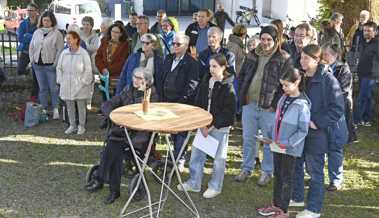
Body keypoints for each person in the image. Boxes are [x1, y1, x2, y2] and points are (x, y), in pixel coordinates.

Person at [86, 68, 158, 204]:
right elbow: (112, 102)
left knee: (115, 150)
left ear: (147, 81)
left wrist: (141, 93)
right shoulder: (128, 89)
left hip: (139, 135)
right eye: (134, 77)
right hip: (123, 132)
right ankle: (112, 189)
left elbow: (144, 114)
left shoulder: (151, 95)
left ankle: (104, 181)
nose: (135, 80)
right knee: (114, 147)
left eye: (139, 78)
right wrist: (109, 114)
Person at [291, 44, 345, 218]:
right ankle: (297, 197)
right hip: (300, 131)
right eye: (301, 57)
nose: (302, 61)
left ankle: (314, 209)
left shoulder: (328, 80)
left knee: (315, 171)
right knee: (297, 165)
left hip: (317, 133)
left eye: (306, 58)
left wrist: (317, 122)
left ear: (317, 60)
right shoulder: (301, 77)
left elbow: (337, 109)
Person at [234, 25, 291, 186]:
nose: (265, 42)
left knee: (268, 141)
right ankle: (246, 168)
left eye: (269, 40)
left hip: (269, 108)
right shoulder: (252, 54)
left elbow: (286, 85)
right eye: (263, 39)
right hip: (249, 104)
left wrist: (275, 104)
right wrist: (242, 95)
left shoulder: (283, 57)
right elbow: (243, 74)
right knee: (248, 139)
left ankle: (267, 172)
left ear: (275, 40)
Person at [177, 53, 236, 199]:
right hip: (203, 125)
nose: (211, 69)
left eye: (215, 66)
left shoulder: (228, 87)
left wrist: (211, 126)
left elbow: (228, 114)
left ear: (223, 67)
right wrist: (201, 124)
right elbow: (199, 103)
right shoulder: (206, 81)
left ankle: (215, 186)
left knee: (218, 159)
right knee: (197, 155)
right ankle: (194, 182)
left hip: (218, 128)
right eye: (210, 66)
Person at [257, 67, 311, 218]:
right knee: (278, 175)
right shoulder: (283, 98)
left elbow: (303, 130)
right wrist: (270, 137)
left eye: (287, 85)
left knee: (287, 178)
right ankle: (276, 204)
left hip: (290, 149)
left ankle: (284, 211)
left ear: (297, 82)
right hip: (277, 145)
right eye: (282, 85)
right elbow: (277, 121)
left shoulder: (302, 105)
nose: (283, 88)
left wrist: (287, 143)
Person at [157, 33, 199, 169]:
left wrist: (181, 103)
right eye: (173, 43)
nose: (174, 46)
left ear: (186, 46)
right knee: (171, 130)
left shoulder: (192, 63)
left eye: (178, 44)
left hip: (182, 103)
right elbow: (161, 78)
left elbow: (192, 84)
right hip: (166, 101)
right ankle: (174, 154)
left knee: (181, 131)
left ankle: (180, 158)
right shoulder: (168, 58)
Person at [29, 10, 64, 119]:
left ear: (52, 21)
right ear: (41, 21)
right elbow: (31, 47)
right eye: (44, 20)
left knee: (53, 88)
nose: (46, 22)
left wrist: (55, 63)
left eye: (48, 20)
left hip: (50, 66)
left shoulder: (57, 33)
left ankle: (55, 109)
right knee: (42, 88)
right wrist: (32, 60)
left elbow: (60, 50)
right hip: (38, 65)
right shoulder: (37, 32)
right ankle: (43, 109)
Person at [56, 31, 93, 135]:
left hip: (80, 84)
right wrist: (61, 80)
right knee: (69, 106)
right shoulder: (64, 53)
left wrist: (84, 82)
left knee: (81, 106)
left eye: (69, 39)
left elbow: (88, 69)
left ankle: (81, 126)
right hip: (67, 83)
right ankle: (72, 125)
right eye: (66, 39)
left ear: (76, 39)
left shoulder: (83, 53)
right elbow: (59, 68)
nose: (67, 41)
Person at [354, 21, 379, 127]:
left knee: (363, 97)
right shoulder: (363, 43)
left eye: (369, 31)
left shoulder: (377, 44)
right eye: (364, 30)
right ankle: (366, 119)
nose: (366, 33)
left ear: (375, 32)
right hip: (362, 74)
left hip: (371, 76)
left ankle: (357, 119)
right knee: (367, 97)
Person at [95, 22, 129, 96]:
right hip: (104, 76)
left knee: (116, 100)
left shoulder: (125, 45)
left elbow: (123, 62)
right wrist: (102, 68)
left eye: (116, 32)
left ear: (121, 34)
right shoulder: (104, 41)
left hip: (117, 77)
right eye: (112, 31)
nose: (113, 34)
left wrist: (108, 70)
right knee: (105, 98)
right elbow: (98, 57)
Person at [16, 2, 40, 100]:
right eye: (28, 10)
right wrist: (33, 37)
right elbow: (21, 38)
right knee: (20, 70)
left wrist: (28, 36)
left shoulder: (40, 23)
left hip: (37, 52)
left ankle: (34, 96)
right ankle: (28, 70)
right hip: (26, 51)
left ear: (36, 11)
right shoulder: (23, 24)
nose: (29, 12)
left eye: (31, 10)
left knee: (36, 77)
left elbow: (41, 38)